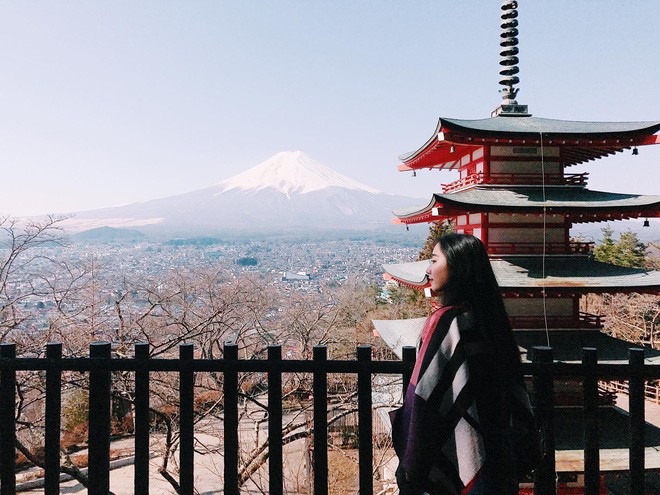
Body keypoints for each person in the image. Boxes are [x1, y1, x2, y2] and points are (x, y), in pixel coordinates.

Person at [390, 233, 537, 495]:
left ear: (457, 266)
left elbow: (423, 400)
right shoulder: (492, 323)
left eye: (434, 260)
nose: (427, 269)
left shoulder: (447, 322)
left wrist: (411, 463)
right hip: (498, 457)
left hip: (458, 460)